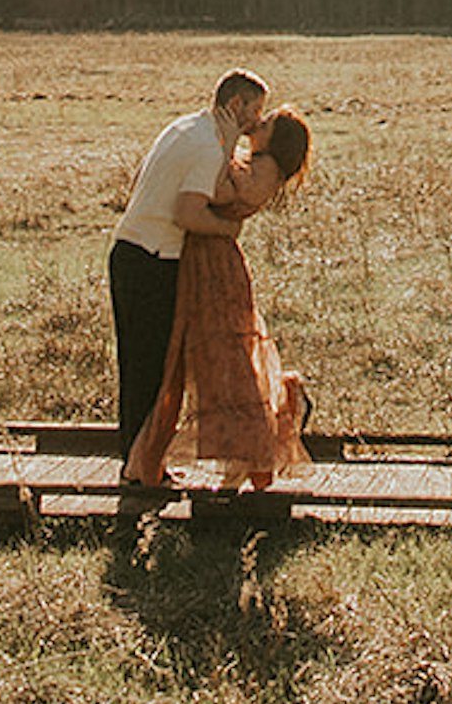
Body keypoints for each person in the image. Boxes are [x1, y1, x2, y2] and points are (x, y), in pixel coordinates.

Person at [125, 105, 313, 492]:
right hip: (203, 261)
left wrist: (223, 144)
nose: (256, 125)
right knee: (208, 357)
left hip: (217, 268)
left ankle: (258, 442)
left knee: (228, 358)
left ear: (276, 141)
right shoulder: (256, 162)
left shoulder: (264, 171)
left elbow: (220, 189)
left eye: (266, 124)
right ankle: (222, 458)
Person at [109, 70, 268, 466]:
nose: (257, 122)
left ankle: (135, 460)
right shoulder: (207, 148)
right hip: (152, 260)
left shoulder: (186, 126)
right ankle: (141, 468)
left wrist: (228, 144)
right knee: (154, 368)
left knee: (136, 365)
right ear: (235, 105)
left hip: (129, 250)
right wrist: (227, 228)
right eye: (254, 110)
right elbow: (188, 212)